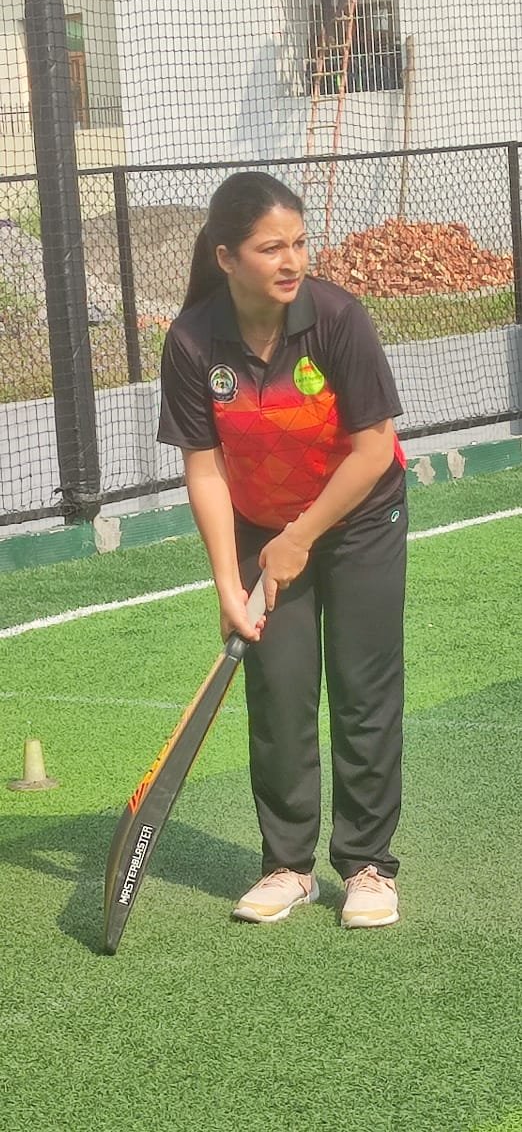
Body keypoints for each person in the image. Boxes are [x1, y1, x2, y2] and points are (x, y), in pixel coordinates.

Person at [158, 171, 408, 929]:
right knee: (279, 692)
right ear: (226, 257)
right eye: (272, 248)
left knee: (362, 689)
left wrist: (300, 537)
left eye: (299, 243)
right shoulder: (193, 339)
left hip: (361, 519)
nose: (292, 259)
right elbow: (204, 468)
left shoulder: (337, 318)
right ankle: (288, 866)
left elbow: (373, 448)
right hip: (261, 528)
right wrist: (227, 586)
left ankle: (367, 865)